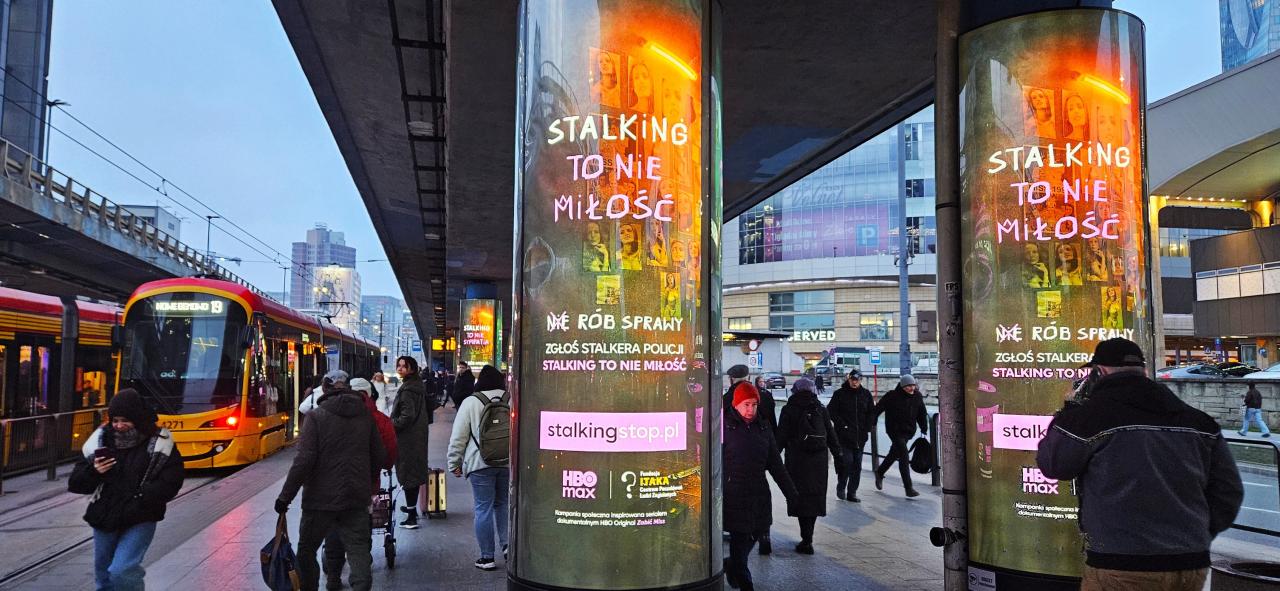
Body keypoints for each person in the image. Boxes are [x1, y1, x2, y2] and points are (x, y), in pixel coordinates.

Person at [1037, 338, 1243, 591]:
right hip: (1190, 564)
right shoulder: (1198, 421)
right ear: (1144, 371)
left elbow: (1053, 463)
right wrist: (1197, 536)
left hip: (1122, 565)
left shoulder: (1089, 418)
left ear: (1099, 372)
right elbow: (1228, 492)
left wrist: (1070, 409)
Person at [276, 370, 387, 591]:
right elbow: (379, 456)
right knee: (358, 549)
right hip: (356, 497)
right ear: (349, 388)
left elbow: (303, 461)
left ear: (324, 388)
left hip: (320, 500)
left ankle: (310, 586)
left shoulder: (316, 417)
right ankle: (361, 587)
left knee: (307, 550)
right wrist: (364, 482)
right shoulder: (365, 416)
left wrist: (285, 497)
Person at [68, 389, 185, 591]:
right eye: (115, 420)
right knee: (103, 576)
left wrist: (143, 496)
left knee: (122, 570)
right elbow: (76, 483)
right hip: (105, 516)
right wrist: (94, 471)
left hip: (140, 516)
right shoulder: (99, 441)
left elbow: (172, 481)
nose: (119, 426)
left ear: (138, 419)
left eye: (125, 421)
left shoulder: (158, 443)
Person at [317, 377, 399, 591]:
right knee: (360, 531)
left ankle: (333, 576)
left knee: (334, 528)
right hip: (365, 486)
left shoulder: (324, 415)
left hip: (331, 486)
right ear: (369, 394)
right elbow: (387, 453)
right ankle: (360, 577)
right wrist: (382, 465)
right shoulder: (378, 419)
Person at [723, 382, 797, 590]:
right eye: (746, 405)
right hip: (734, 496)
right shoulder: (724, 427)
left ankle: (732, 565)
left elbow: (776, 465)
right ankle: (745, 581)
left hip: (759, 495)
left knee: (757, 533)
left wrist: (791, 493)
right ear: (736, 404)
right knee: (740, 544)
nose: (750, 409)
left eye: (754, 405)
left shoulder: (763, 428)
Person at [448, 365, 510, 571]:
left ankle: (487, 557)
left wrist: (454, 463)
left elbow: (458, 437)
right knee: (503, 505)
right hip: (506, 462)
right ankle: (507, 547)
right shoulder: (510, 399)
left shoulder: (471, 402)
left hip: (479, 463)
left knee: (483, 508)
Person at [776, 378, 842, 554]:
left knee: (800, 497)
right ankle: (808, 539)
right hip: (818, 462)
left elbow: (780, 437)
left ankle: (805, 537)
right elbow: (831, 434)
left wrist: (770, 459)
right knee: (814, 498)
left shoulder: (789, 409)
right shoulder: (820, 408)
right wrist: (838, 455)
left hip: (797, 461)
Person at [391, 356, 434, 529]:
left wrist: (392, 424)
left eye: (404, 366)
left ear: (412, 369)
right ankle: (411, 508)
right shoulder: (417, 386)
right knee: (413, 473)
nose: (400, 368)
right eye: (399, 365)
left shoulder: (408, 390)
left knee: (408, 474)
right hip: (417, 436)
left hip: (408, 438)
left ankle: (411, 517)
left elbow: (407, 416)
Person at [873, 374, 928, 498]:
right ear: (902, 386)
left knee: (894, 454)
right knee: (903, 455)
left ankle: (880, 472)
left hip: (908, 431)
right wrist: (873, 421)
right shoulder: (892, 396)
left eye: (913, 385)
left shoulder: (917, 396)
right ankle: (908, 488)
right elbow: (878, 409)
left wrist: (924, 427)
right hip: (894, 430)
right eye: (908, 386)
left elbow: (921, 413)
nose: (911, 388)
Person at [827, 369, 875, 502]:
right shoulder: (839, 394)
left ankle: (852, 492)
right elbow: (831, 411)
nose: (855, 382)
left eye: (857, 380)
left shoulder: (866, 394)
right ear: (848, 379)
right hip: (843, 436)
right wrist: (842, 425)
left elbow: (871, 412)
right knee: (846, 462)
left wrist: (868, 427)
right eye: (852, 380)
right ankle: (841, 486)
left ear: (861, 380)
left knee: (857, 465)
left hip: (860, 437)